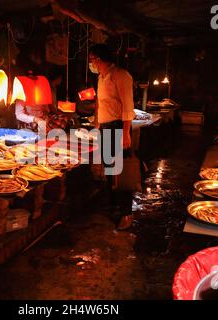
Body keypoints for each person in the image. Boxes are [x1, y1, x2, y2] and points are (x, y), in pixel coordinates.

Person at [89, 44, 135, 231]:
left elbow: (127, 106)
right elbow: (100, 103)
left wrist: (125, 132)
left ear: (100, 59)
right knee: (110, 170)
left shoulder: (121, 75)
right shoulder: (101, 78)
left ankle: (127, 213)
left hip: (117, 126)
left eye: (92, 59)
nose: (91, 63)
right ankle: (114, 204)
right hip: (105, 128)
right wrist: (97, 124)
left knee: (121, 172)